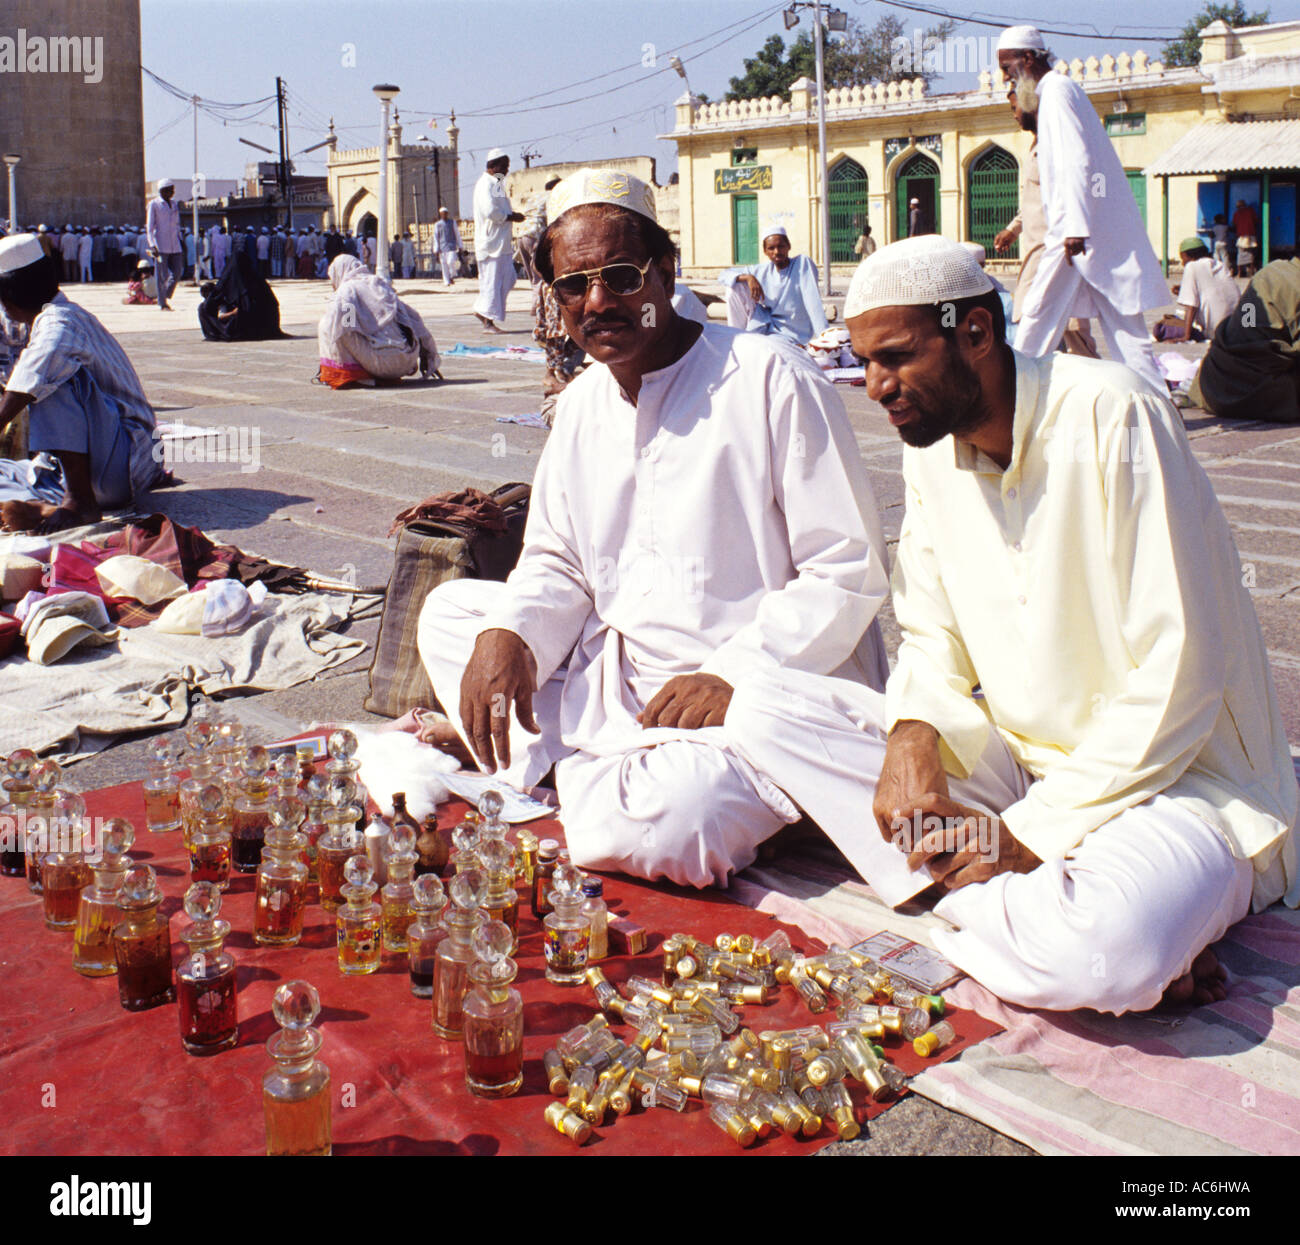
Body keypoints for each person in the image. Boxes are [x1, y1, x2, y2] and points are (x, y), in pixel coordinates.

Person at [724, 235, 1298, 1014]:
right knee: (761, 709)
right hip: (1021, 762)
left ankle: (987, 905)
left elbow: (1183, 670)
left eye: (895, 357)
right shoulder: (929, 445)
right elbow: (930, 633)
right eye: (865, 362)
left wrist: (1029, 835)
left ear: (975, 333)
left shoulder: (1114, 413)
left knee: (1103, 953)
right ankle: (1035, 903)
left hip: (1181, 783)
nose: (876, 387)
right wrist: (915, 733)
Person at [417, 167, 890, 888]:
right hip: (619, 676)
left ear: (666, 273)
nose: (598, 301)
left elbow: (845, 569)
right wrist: (511, 632)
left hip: (753, 695)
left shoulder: (767, 377)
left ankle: (601, 777)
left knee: (669, 818)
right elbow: (559, 560)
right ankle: (587, 763)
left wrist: (733, 673)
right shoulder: (580, 404)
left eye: (621, 276)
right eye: (574, 286)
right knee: (453, 616)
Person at [997, 25, 1168, 394]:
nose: (1006, 77)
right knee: (1127, 335)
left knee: (1036, 319)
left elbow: (1077, 161)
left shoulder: (1057, 92)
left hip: (1071, 236)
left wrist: (1074, 225)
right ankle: (1159, 407)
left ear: (1028, 59)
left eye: (1008, 68)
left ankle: (1009, 402)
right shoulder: (1056, 93)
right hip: (1084, 235)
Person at [0, 235, 168, 531]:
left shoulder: (61, 322)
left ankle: (80, 504)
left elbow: (30, 380)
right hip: (99, 465)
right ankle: (47, 504)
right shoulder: (55, 317)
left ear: (8, 297)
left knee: (52, 378)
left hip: (127, 462)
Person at [995, 84, 1098, 360]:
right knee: (1038, 319)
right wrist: (1013, 230)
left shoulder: (1057, 145)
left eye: (1015, 108)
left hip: (1056, 250)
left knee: (1068, 326)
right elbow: (1036, 201)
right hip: (1035, 250)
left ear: (1031, 106)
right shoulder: (1036, 147)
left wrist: (1075, 230)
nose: (1014, 115)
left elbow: (1076, 191)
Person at [1190, 253, 1300, 423]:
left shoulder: (1269, 272)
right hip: (1257, 391)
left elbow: (1246, 321)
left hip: (1213, 381)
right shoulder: (1293, 284)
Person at [317, 254, 439, 388]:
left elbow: (347, 327)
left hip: (380, 363)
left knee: (329, 324)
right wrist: (429, 357)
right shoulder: (380, 285)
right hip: (406, 361)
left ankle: (348, 375)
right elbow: (415, 320)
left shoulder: (347, 291)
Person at [722, 223, 827, 344]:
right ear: (765, 251)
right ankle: (736, 339)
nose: (776, 252)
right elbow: (724, 275)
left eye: (781, 246)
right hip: (766, 324)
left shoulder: (801, 263)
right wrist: (748, 278)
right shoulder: (761, 270)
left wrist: (824, 337)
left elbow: (812, 300)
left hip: (794, 332)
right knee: (734, 287)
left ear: (788, 246)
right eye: (771, 248)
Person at [472, 149, 525, 332]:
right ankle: (487, 320)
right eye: (504, 167)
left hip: (501, 243)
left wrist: (512, 215)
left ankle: (483, 310)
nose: (507, 170)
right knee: (491, 282)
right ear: (493, 167)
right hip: (491, 244)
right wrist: (511, 217)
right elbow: (491, 212)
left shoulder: (496, 183)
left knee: (508, 278)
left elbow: (500, 206)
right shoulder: (484, 185)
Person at [1152, 237, 1241, 343]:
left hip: (1215, 331)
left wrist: (1186, 336)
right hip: (1235, 328)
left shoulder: (1191, 266)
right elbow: (1213, 291)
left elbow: (1191, 306)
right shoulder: (1219, 265)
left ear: (1189, 256)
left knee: (1162, 328)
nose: (1182, 263)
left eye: (1183, 258)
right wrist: (1182, 290)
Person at [198, 251, 285, 342]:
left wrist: (226, 314)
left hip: (247, 326)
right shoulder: (257, 280)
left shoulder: (239, 280)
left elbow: (245, 309)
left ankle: (215, 333)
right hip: (264, 326)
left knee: (203, 309)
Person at [146, 178, 183, 311]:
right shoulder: (154, 204)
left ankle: (165, 294)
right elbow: (149, 227)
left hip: (175, 244)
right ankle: (162, 303)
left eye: (173, 190)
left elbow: (177, 225)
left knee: (178, 272)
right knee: (161, 275)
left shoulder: (174, 204)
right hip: (160, 246)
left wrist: (181, 239)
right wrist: (152, 245)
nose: (172, 193)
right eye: (169, 190)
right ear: (162, 191)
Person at [434, 206, 461, 286]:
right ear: (440, 214)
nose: (444, 215)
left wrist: (460, 245)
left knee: (451, 262)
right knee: (444, 265)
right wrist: (436, 249)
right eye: (443, 214)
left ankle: (452, 275)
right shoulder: (437, 224)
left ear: (447, 214)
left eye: (445, 214)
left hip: (451, 246)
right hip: (442, 248)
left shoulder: (452, 222)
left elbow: (457, 234)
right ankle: (446, 281)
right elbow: (436, 237)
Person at [1232, 199, 1259, 277]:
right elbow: (1256, 221)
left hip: (1241, 236)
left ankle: (1240, 272)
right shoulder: (1251, 211)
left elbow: (1234, 224)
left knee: (1240, 254)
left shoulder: (1236, 213)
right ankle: (1251, 272)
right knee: (1250, 254)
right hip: (1251, 235)